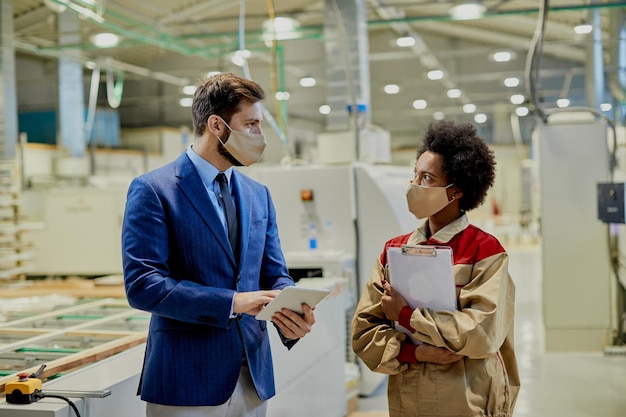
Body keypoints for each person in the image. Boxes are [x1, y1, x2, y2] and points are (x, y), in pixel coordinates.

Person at [122, 72, 316, 417]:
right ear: (216, 125)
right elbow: (144, 286)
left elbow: (274, 273)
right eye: (251, 124)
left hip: (253, 377)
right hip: (186, 381)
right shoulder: (154, 190)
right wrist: (234, 302)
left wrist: (290, 309)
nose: (260, 136)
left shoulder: (259, 196)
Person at [352, 120, 520, 417]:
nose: (415, 185)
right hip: (409, 400)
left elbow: (482, 333)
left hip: (468, 401)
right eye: (414, 175)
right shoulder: (393, 251)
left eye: (427, 177)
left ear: (456, 191)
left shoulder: (485, 251)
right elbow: (364, 334)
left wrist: (407, 315)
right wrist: (415, 352)